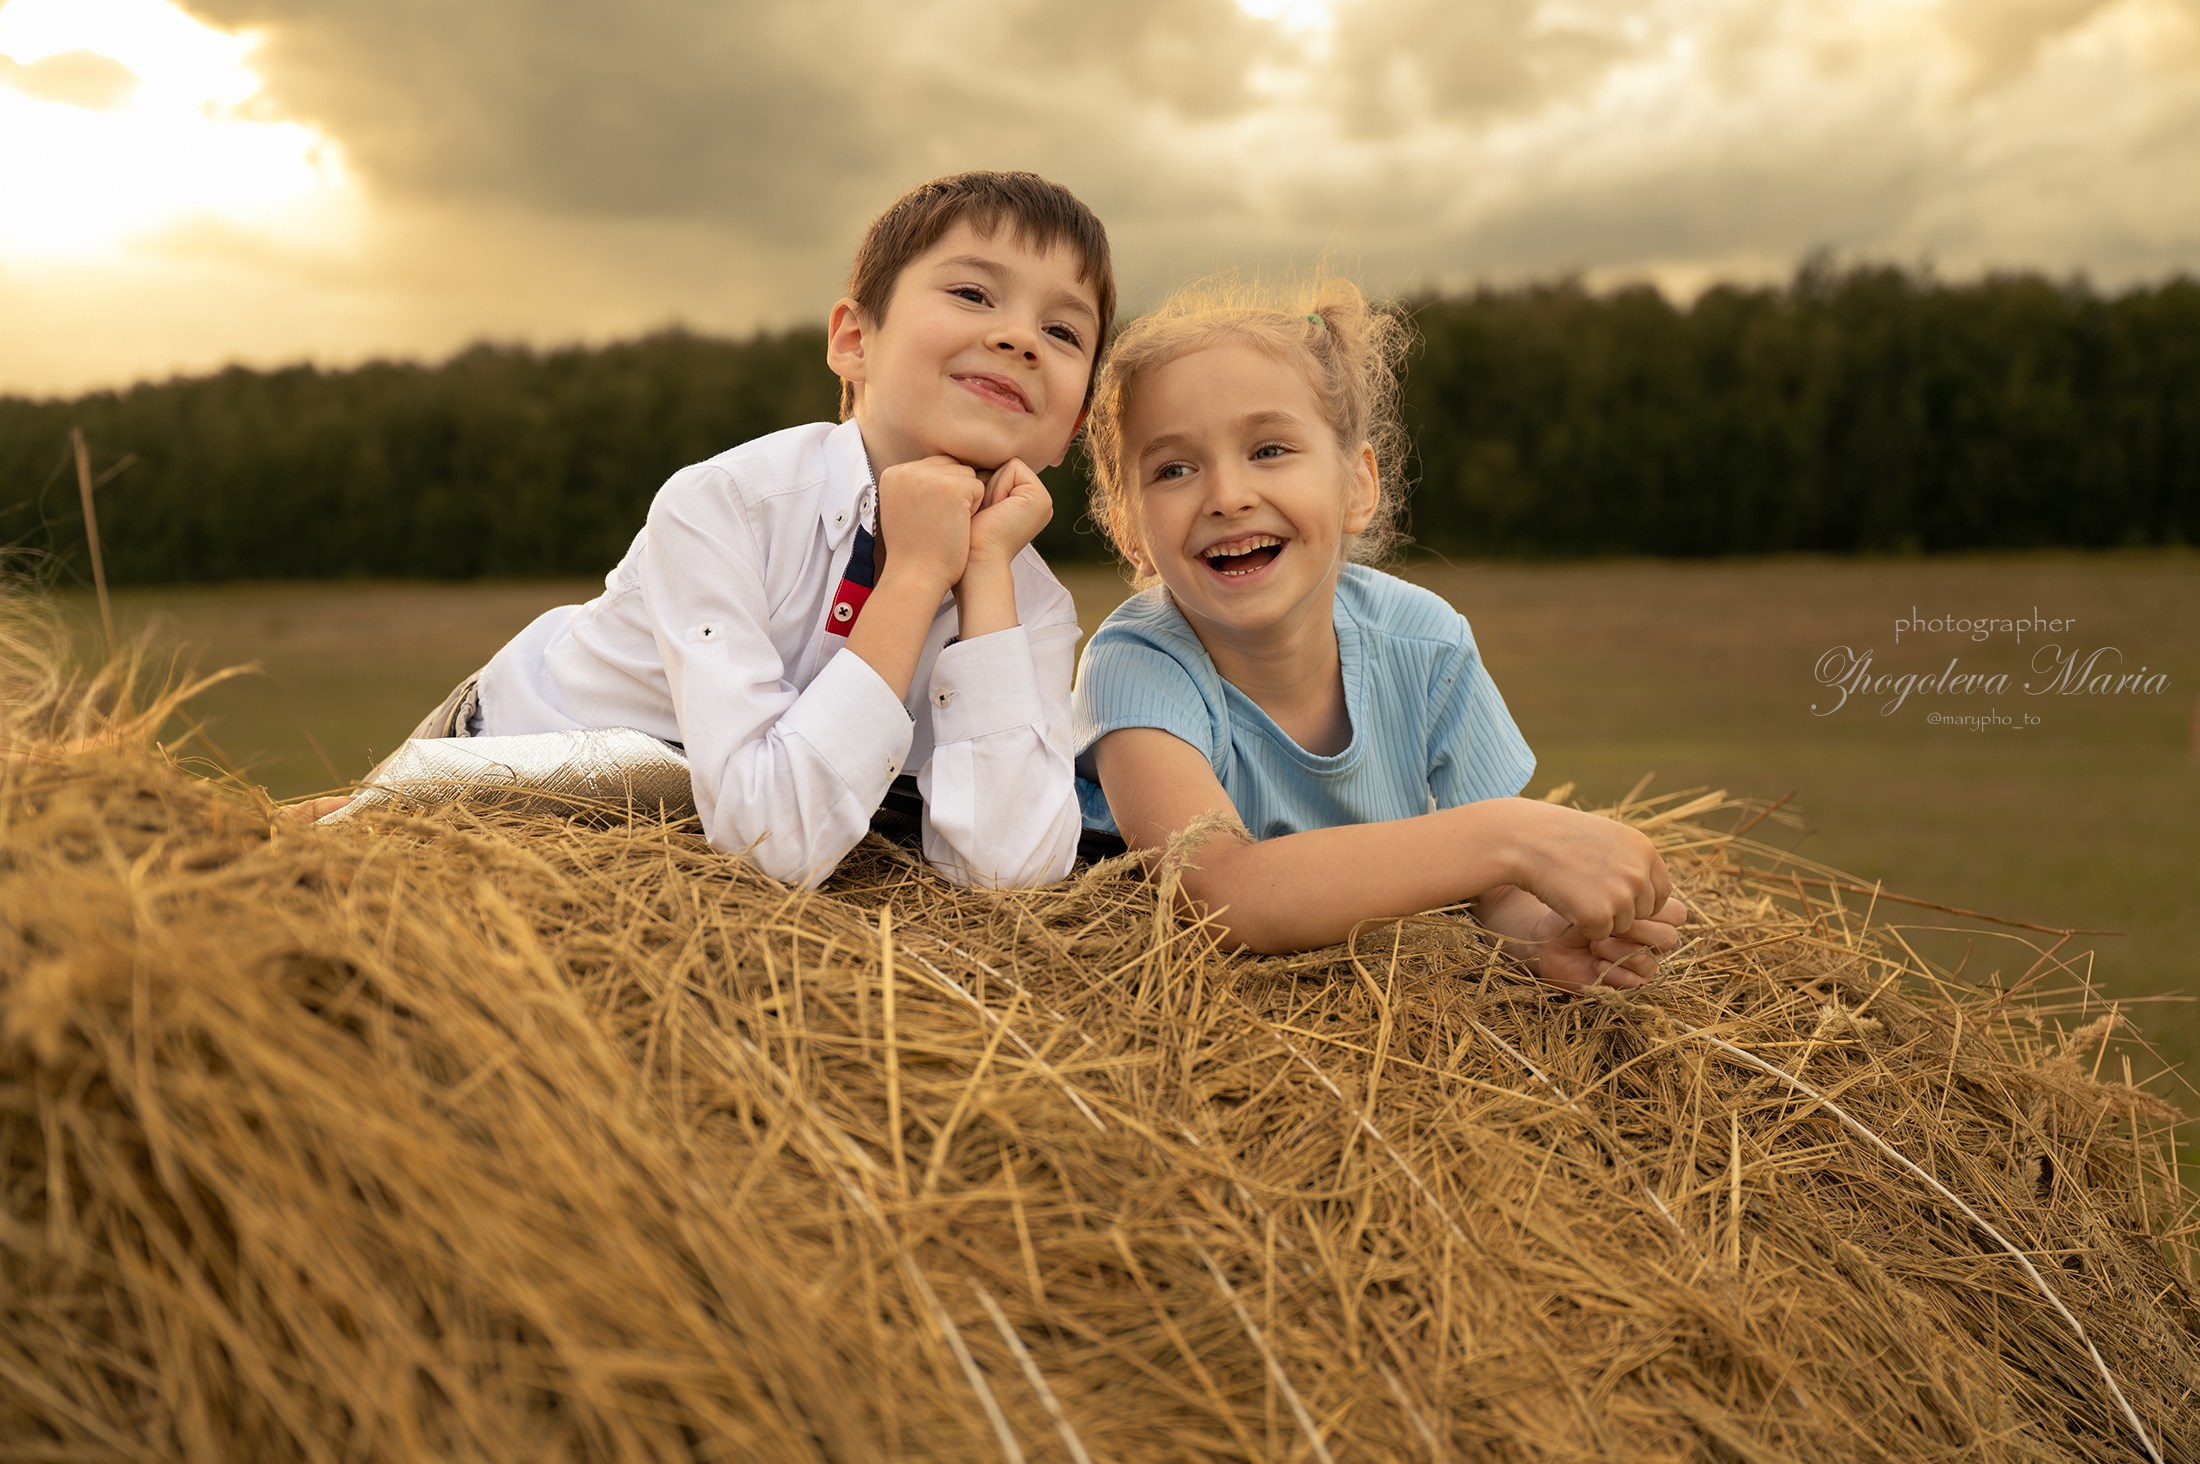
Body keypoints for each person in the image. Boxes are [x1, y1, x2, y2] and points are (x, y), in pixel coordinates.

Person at [366, 172, 1114, 889]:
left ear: (1068, 430)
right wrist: (915, 574)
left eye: (1061, 331)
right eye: (972, 293)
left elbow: (1003, 872)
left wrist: (981, 567)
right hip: (506, 749)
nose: (1020, 338)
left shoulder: (1032, 607)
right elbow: (771, 842)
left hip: (704, 798)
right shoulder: (726, 503)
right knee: (323, 857)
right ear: (854, 341)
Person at [1072, 278, 1687, 989]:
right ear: (1129, 532)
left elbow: (1500, 895)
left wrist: (1546, 936)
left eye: (1270, 449)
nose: (1229, 496)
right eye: (1174, 469)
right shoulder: (1133, 665)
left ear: (1358, 486)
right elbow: (1220, 894)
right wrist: (1514, 838)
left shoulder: (1426, 644)